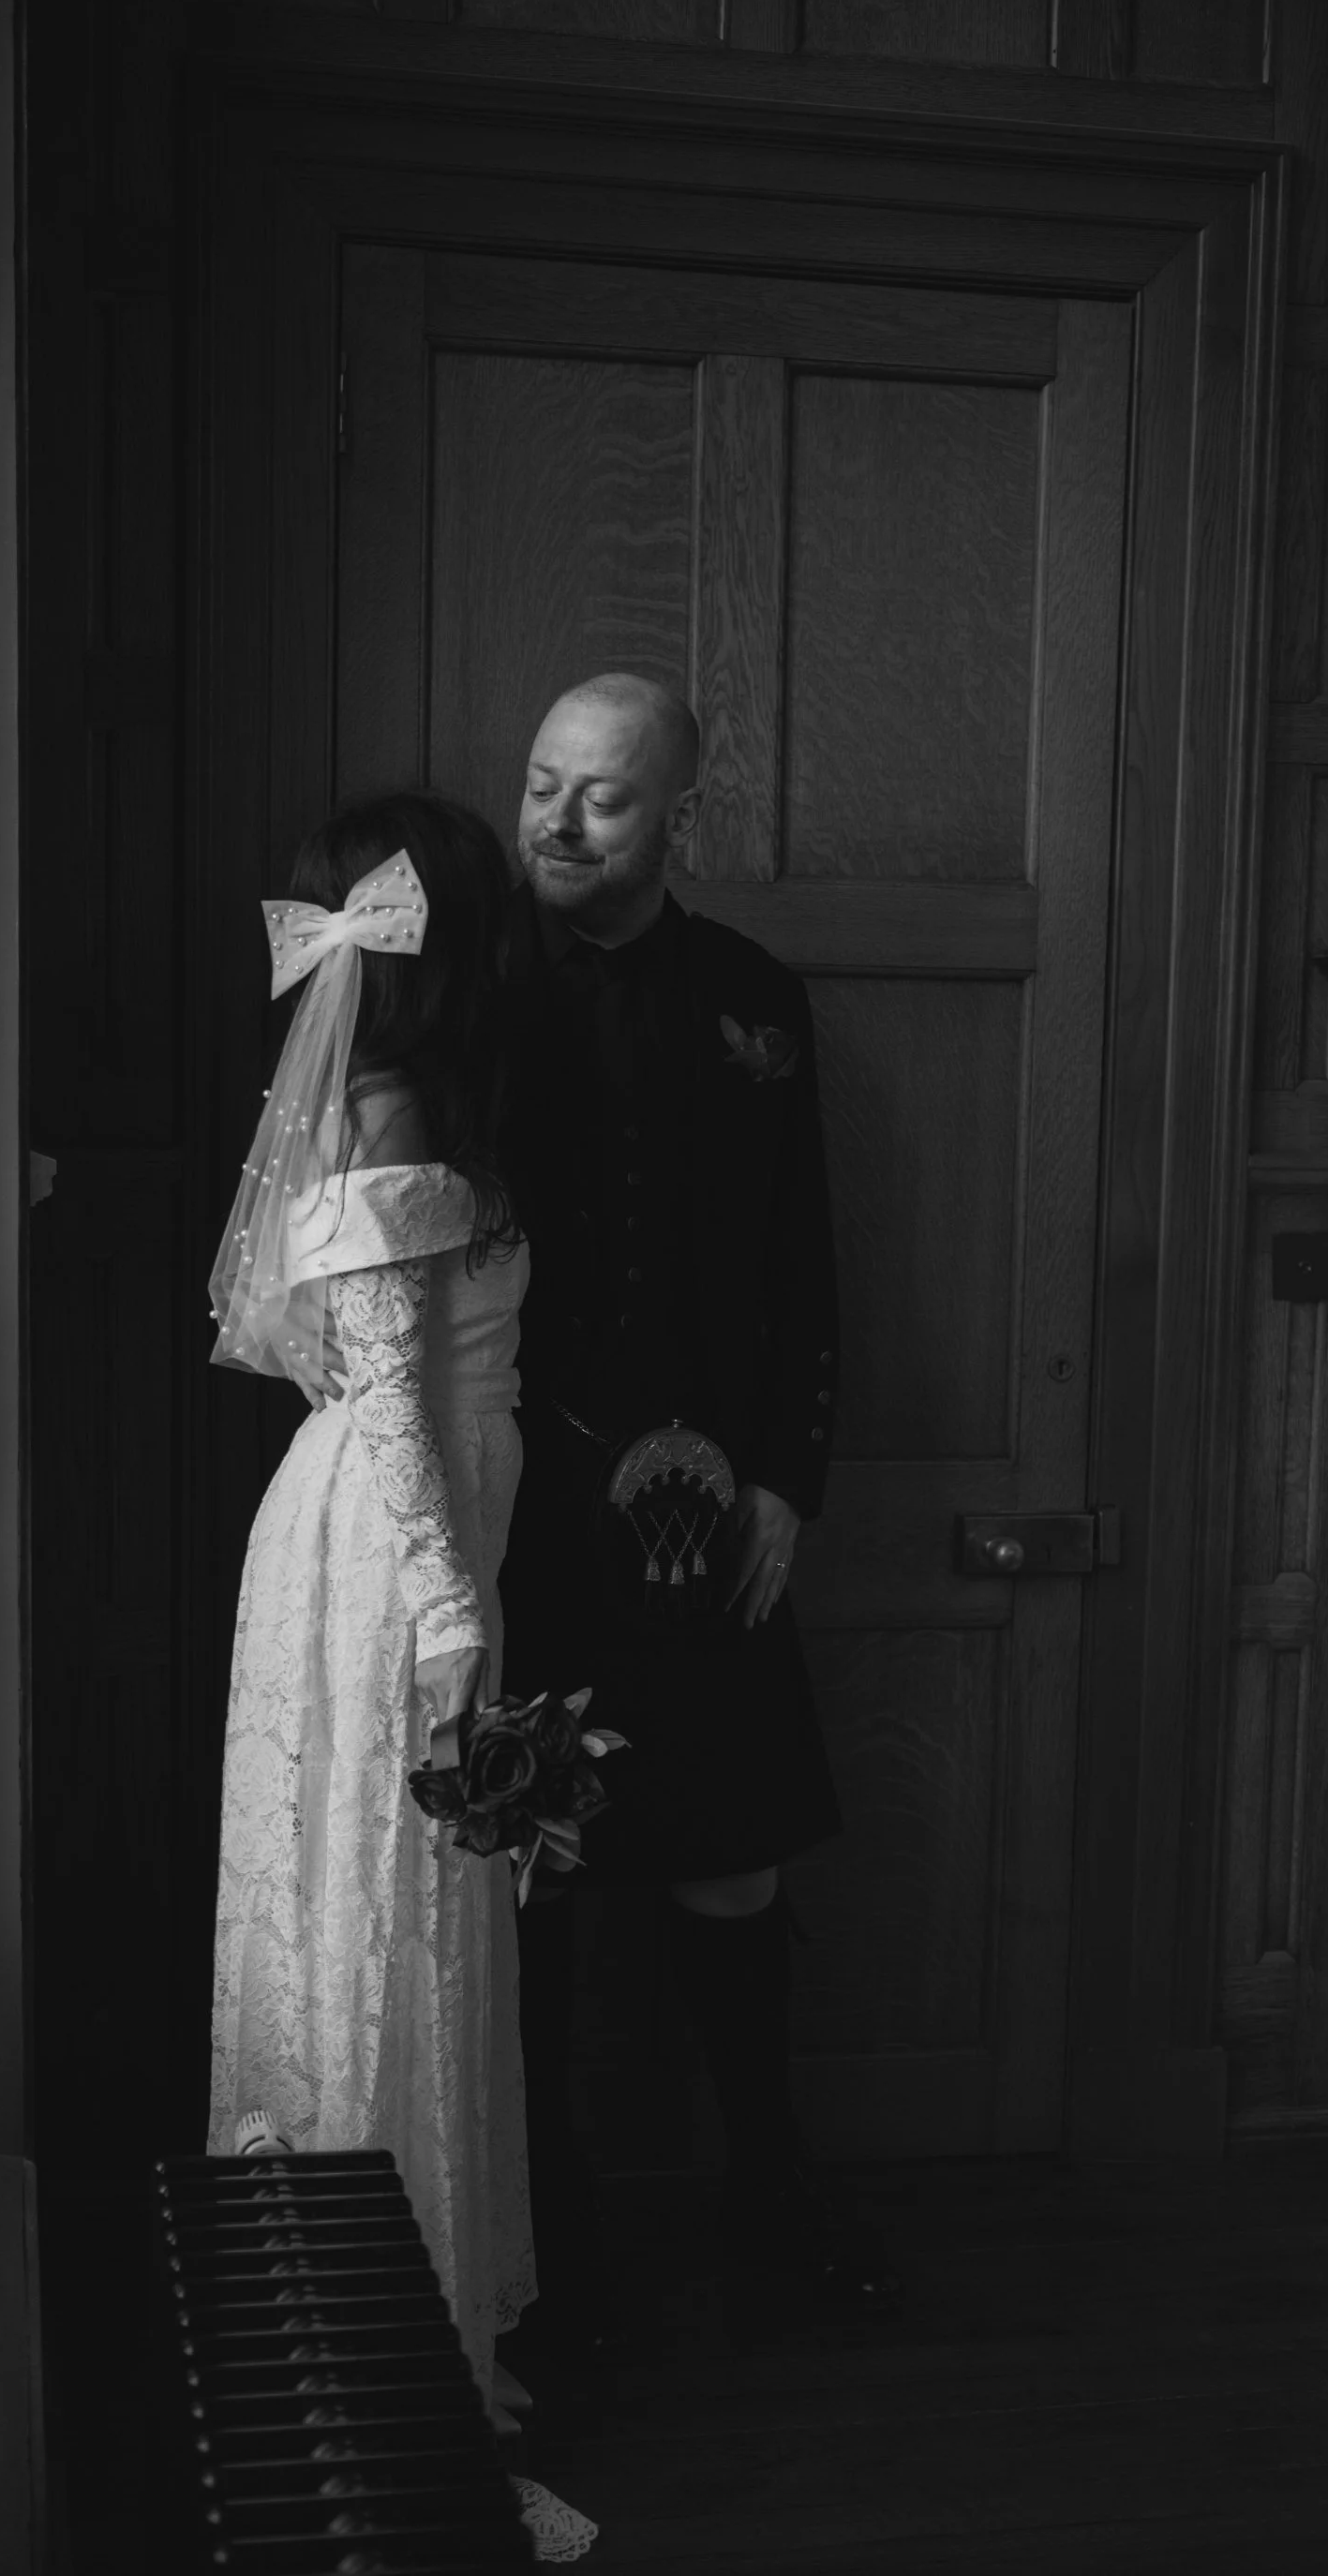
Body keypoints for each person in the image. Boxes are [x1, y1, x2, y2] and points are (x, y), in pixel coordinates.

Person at [205, 789, 597, 2563]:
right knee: (375, 1932)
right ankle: (381, 2388)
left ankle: (379, 2347)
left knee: (388, 1930)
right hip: (390, 1568)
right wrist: (449, 1635)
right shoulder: (391, 1113)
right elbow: (388, 1413)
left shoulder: (406, 1112)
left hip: (399, 1551)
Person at [496, 672, 900, 2349]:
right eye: (538, 784)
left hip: (712, 1509)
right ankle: (545, 2222)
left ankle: (770, 2185)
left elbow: (803, 1256)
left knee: (729, 1862)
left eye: (600, 798)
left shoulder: (751, 994)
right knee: (528, 1865)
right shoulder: (472, 988)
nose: (555, 823)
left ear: (681, 819)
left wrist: (792, 1479)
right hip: (518, 1506)